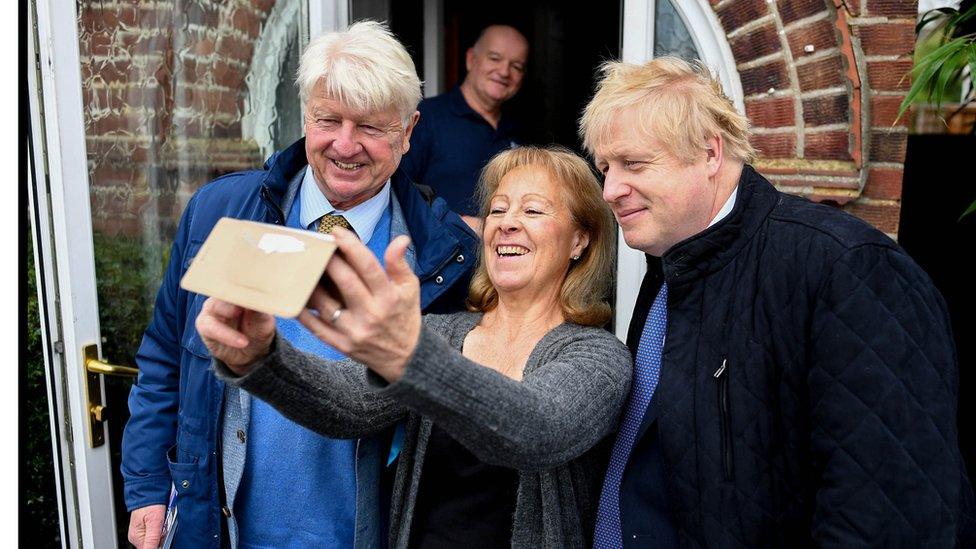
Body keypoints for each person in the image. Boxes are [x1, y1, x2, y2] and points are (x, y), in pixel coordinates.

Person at [578, 57, 976, 547]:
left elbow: (890, 513)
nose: (610, 190)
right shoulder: (670, 267)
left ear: (709, 153)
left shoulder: (846, 268)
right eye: (605, 168)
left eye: (633, 163)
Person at [121, 21, 479, 549]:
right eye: (327, 119)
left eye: (371, 127)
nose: (345, 145)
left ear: (408, 131)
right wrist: (147, 487)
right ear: (304, 116)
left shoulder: (443, 255)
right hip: (221, 529)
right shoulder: (221, 212)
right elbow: (164, 357)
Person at [196, 146, 632, 548]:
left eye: (533, 209)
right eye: (497, 209)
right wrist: (261, 358)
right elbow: (348, 404)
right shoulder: (441, 336)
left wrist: (409, 358)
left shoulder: (598, 357)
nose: (507, 222)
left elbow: (536, 430)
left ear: (581, 240)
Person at [400, 24, 529, 232]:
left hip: (505, 255)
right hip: (439, 256)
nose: (504, 72)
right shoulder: (425, 118)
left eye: (516, 66)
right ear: (471, 59)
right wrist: (461, 224)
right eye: (495, 59)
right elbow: (397, 193)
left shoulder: (522, 132)